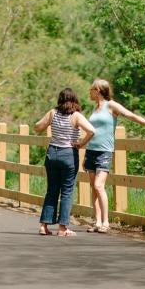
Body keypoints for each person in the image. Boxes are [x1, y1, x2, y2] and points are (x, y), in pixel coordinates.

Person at [84, 78, 145, 233]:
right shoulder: (95, 108)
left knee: (99, 185)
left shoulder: (111, 105)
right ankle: (98, 221)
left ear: (99, 91)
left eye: (92, 89)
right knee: (93, 188)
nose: (90, 92)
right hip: (91, 151)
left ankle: (106, 222)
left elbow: (130, 115)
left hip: (104, 151)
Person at [34, 87, 95, 237]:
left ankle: (44, 226)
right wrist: (81, 143)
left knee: (52, 190)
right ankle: (62, 228)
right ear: (75, 100)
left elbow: (37, 127)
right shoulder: (76, 116)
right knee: (67, 191)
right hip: (68, 153)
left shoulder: (52, 113)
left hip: (52, 153)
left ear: (60, 100)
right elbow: (92, 131)